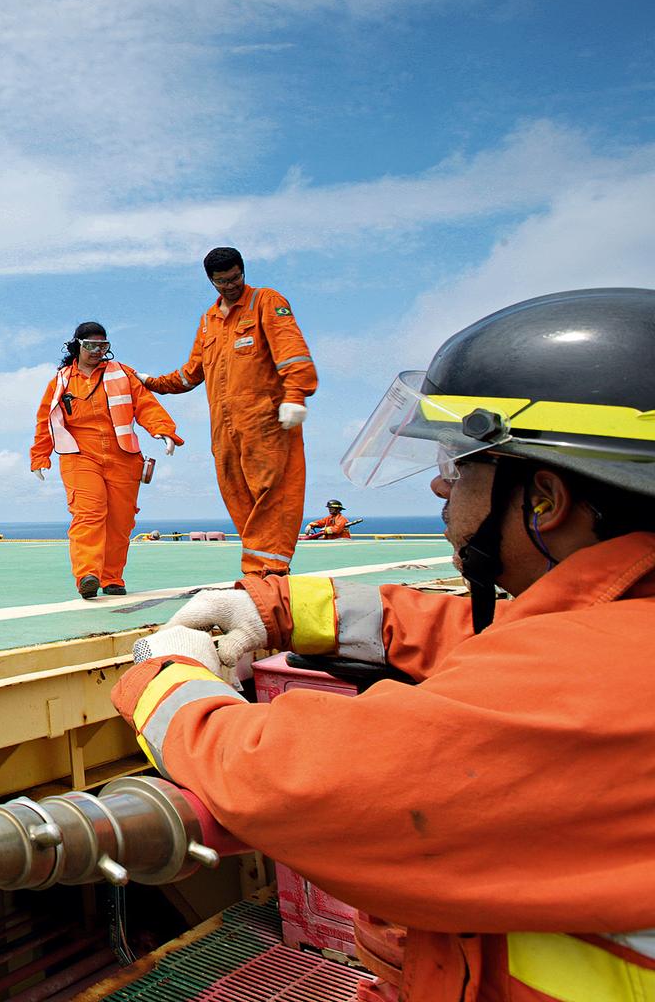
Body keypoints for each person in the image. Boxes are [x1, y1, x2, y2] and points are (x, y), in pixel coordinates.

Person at [117, 287, 655, 1001]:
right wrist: (281, 607)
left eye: (462, 463)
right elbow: (490, 634)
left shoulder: (592, 685)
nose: (439, 479)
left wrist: (168, 679)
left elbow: (286, 781)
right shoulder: (621, 629)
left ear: (544, 500)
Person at [144, 246, 318, 576]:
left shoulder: (266, 301)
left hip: (266, 420)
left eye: (235, 278)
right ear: (211, 281)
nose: (230, 286)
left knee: (274, 493)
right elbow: (191, 373)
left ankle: (270, 570)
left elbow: (292, 351)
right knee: (236, 494)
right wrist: (151, 382)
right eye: (222, 281)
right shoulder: (208, 321)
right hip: (224, 429)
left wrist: (296, 395)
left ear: (243, 271)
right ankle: (259, 570)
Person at [31, 321, 182, 599]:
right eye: (90, 346)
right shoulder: (61, 381)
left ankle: (112, 577)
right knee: (88, 513)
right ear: (77, 345)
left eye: (103, 346)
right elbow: (46, 421)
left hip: (123, 456)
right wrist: (40, 455)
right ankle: (88, 575)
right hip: (80, 455)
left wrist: (164, 431)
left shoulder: (122, 374)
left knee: (120, 521)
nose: (97, 351)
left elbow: (146, 405)